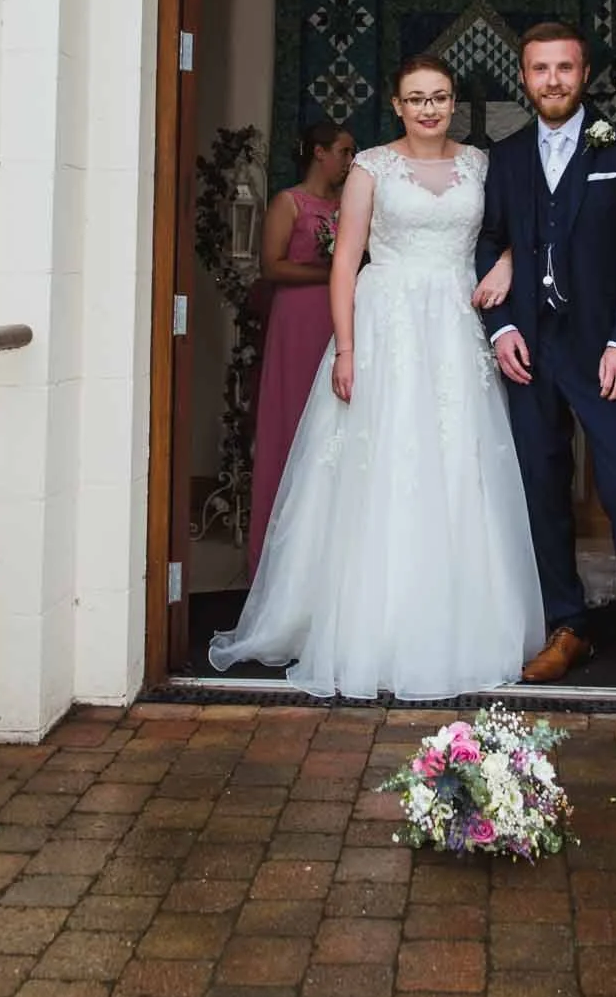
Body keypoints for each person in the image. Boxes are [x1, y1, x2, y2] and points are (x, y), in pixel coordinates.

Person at [209, 55, 544, 699]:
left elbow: (517, 232)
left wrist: (503, 263)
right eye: (416, 98)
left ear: (453, 103)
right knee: (387, 459)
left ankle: (461, 620)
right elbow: (345, 263)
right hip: (388, 319)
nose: (428, 109)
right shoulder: (370, 168)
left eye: (440, 98)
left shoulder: (480, 164)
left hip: (455, 319)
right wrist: (345, 346)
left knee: (458, 460)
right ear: (396, 104)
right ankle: (374, 623)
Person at [475, 22, 616, 693]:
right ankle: (568, 626)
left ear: (583, 74)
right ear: (524, 77)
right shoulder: (503, 158)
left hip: (600, 348)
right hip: (529, 349)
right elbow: (488, 244)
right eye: (539, 69)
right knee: (541, 486)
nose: (552, 80)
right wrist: (500, 328)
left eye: (564, 68)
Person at [246, 119, 356, 576]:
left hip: (338, 318)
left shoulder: (349, 205)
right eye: (345, 152)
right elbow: (270, 265)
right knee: (292, 419)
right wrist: (329, 275)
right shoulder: (288, 202)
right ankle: (277, 558)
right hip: (297, 319)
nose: (350, 162)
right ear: (319, 152)